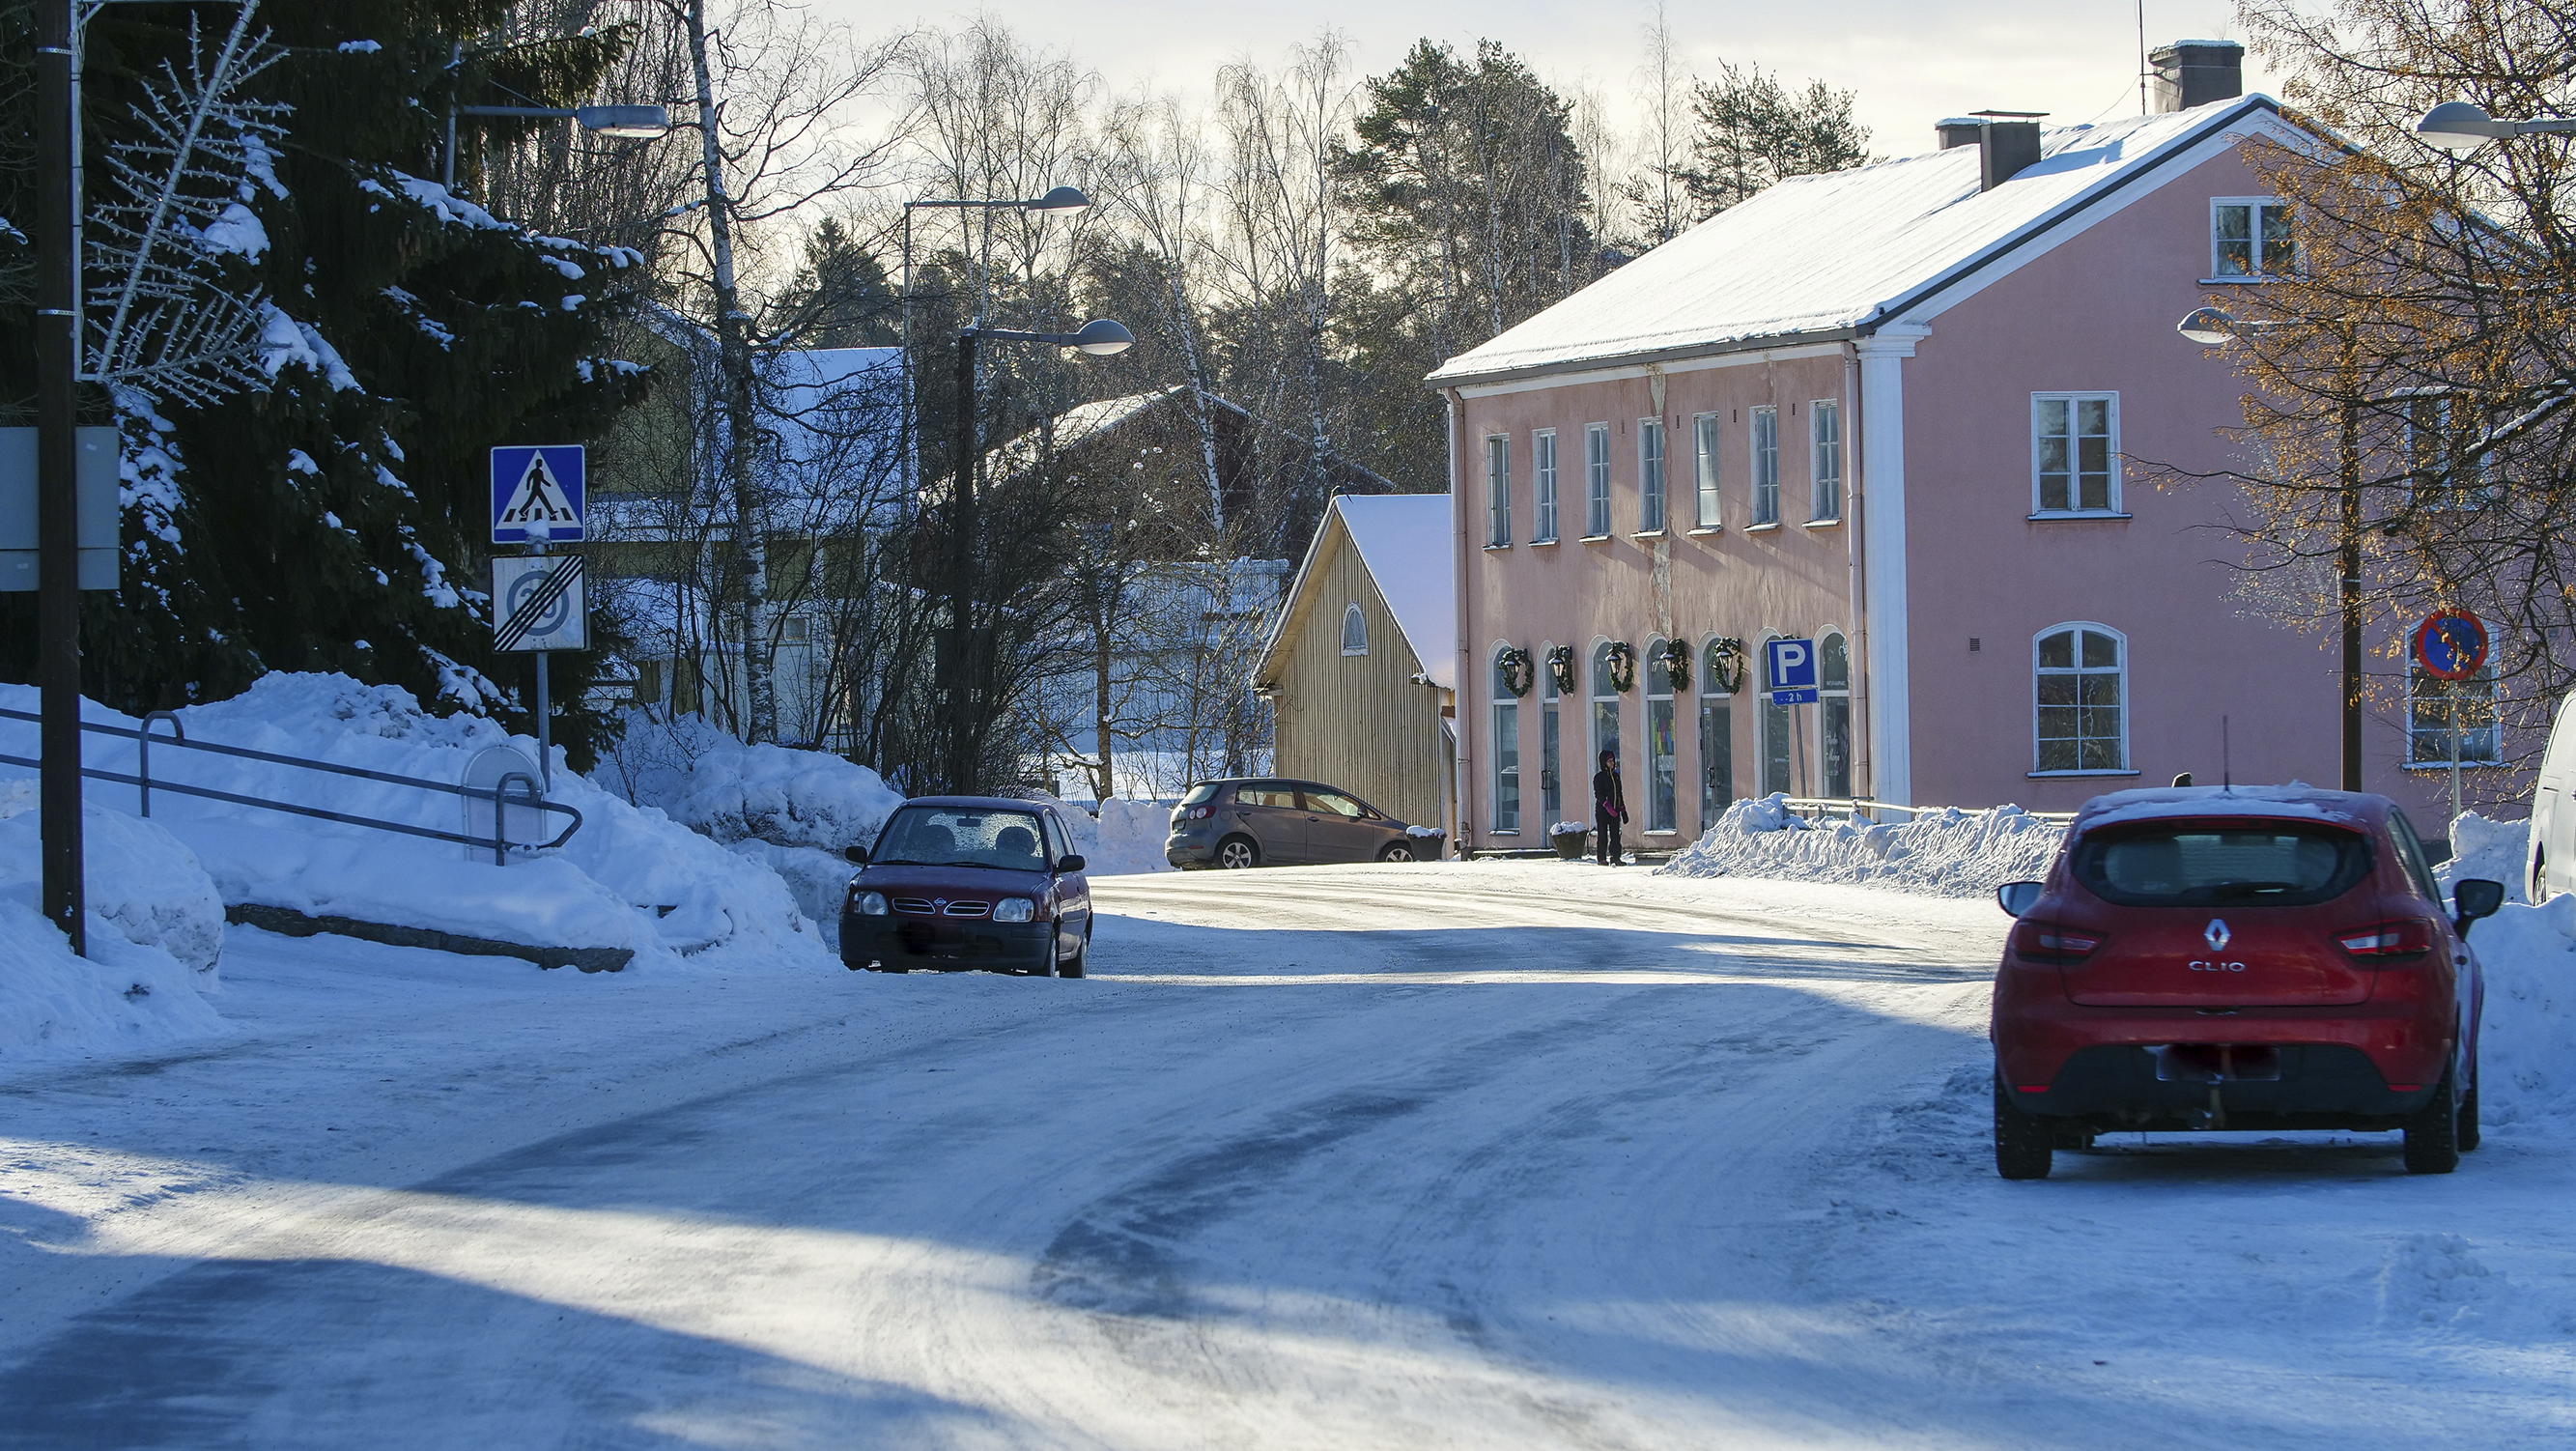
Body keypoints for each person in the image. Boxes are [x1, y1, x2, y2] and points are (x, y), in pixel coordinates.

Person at [1592, 749, 1628, 866]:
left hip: (1615, 810)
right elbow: (1598, 794)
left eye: (1613, 761)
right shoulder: (1599, 777)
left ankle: (1616, 857)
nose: (1612, 763)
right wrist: (1607, 806)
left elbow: (1619, 793)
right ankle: (1601, 857)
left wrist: (1622, 809)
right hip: (1603, 811)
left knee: (1615, 834)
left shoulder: (1616, 777)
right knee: (1602, 834)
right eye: (1609, 761)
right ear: (1604, 763)